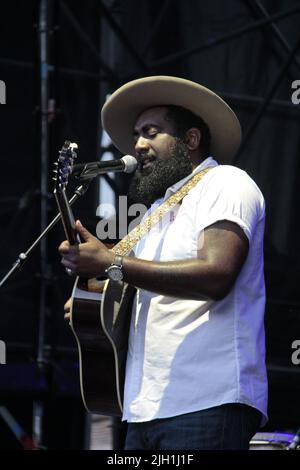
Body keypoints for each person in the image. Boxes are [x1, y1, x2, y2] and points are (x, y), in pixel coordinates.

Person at [59, 76, 268, 450]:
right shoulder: (154, 214)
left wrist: (110, 264)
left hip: (208, 400)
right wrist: (95, 302)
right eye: (137, 134)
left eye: (151, 132)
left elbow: (216, 275)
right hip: (143, 409)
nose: (138, 145)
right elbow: (133, 283)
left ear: (190, 140)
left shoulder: (226, 182)